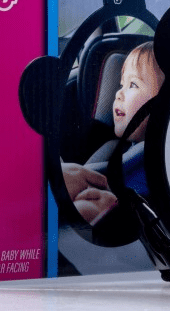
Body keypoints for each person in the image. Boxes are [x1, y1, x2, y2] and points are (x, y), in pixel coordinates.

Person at [61, 41, 164, 225]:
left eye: (133, 84)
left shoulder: (156, 160)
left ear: (167, 100)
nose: (118, 94)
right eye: (121, 84)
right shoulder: (130, 149)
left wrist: (106, 209)